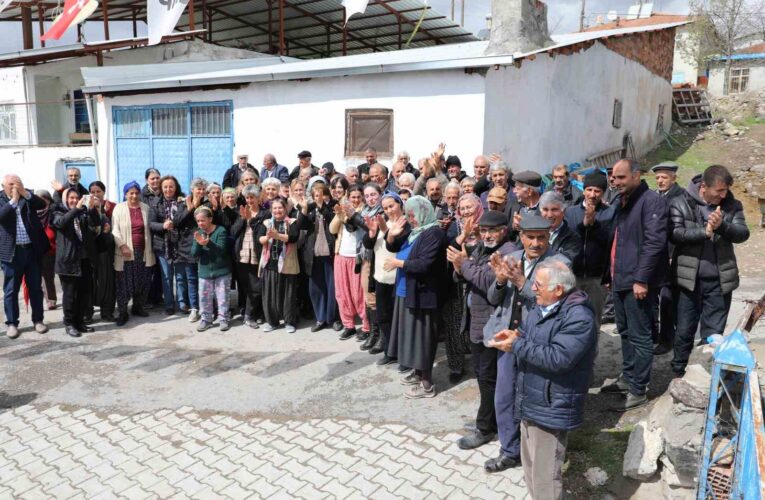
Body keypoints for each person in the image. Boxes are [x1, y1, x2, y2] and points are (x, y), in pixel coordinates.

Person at [489, 260, 597, 500]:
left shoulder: (579, 318)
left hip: (551, 406)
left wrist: (516, 344)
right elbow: (527, 334)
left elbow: (559, 358)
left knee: (546, 477)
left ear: (558, 289)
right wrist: (514, 335)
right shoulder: (543, 306)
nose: (532, 289)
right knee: (530, 468)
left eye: (538, 285)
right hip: (531, 399)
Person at [482, 214, 569, 473]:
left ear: (548, 238)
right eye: (530, 237)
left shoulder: (560, 264)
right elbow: (493, 299)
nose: (535, 243)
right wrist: (499, 280)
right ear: (521, 237)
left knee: (539, 397)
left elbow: (556, 303)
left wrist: (521, 282)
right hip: (509, 340)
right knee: (504, 396)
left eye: (541, 238)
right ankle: (510, 451)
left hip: (539, 342)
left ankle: (543, 453)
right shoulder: (511, 258)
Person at [600, 159, 668, 411]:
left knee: (640, 336)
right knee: (625, 331)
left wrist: (641, 279)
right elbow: (616, 241)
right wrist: (610, 275)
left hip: (638, 283)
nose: (615, 182)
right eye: (613, 178)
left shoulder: (651, 201)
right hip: (621, 279)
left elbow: (654, 243)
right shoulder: (622, 201)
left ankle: (639, 388)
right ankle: (628, 378)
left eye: (620, 177)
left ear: (636, 175)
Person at [669, 166, 749, 376]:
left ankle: (705, 375)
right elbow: (675, 234)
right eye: (719, 191)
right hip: (688, 281)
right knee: (684, 330)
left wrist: (722, 226)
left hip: (720, 281)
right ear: (704, 186)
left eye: (725, 191)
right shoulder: (680, 202)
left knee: (713, 334)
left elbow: (742, 233)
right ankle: (678, 372)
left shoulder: (732, 205)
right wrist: (704, 232)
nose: (723, 196)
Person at [448, 210, 511, 450]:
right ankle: (489, 420)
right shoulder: (480, 249)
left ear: (503, 231)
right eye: (483, 230)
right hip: (476, 320)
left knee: (488, 378)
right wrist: (460, 266)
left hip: (491, 324)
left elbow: (487, 283)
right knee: (484, 376)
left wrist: (464, 264)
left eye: (492, 230)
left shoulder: (507, 252)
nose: (486, 235)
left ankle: (485, 428)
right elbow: (461, 277)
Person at [384, 196, 447, 399]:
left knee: (422, 338)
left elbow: (424, 264)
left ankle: (427, 385)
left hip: (424, 295)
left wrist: (398, 264)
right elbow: (395, 247)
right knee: (411, 336)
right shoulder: (415, 232)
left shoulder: (434, 233)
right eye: (408, 215)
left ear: (423, 212)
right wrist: (391, 235)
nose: (410, 219)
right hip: (407, 291)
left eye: (413, 215)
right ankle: (418, 372)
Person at [0, 174, 50, 339]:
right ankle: (12, 323)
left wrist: (24, 193)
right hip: (12, 253)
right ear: (3, 185)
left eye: (17, 183)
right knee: (11, 290)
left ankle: (38, 320)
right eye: (11, 184)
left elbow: (42, 204)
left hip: (31, 250)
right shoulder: (1, 199)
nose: (14, 186)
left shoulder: (27, 195)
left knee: (35, 287)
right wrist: (13, 201)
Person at [564, 172, 615, 327]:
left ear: (603, 192)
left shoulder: (610, 212)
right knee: (570, 317)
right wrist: (584, 224)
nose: (592, 195)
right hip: (573, 275)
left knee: (594, 319)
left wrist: (594, 225)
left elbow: (609, 240)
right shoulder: (571, 212)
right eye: (589, 189)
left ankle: (592, 350)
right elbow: (569, 238)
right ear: (584, 190)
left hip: (596, 277)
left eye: (597, 191)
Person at [50, 188, 101, 337]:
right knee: (70, 295)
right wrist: (77, 208)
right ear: (66, 200)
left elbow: (95, 222)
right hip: (68, 261)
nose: (74, 200)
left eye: (76, 198)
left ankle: (79, 322)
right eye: (71, 198)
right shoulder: (57, 213)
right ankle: (69, 323)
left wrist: (91, 209)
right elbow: (61, 223)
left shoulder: (82, 213)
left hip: (84, 260)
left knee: (84, 294)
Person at [366, 192, 406, 362]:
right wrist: (373, 232)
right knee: (383, 317)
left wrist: (385, 230)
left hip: (398, 278)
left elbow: (396, 244)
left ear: (400, 204)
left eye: (392, 206)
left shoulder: (406, 222)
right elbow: (368, 245)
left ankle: (403, 353)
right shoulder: (383, 222)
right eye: (385, 208)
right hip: (381, 276)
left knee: (399, 319)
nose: (389, 210)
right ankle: (390, 351)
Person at [651, 161, 686, 355]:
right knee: (652, 297)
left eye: (664, 177)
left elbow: (678, 230)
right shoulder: (656, 196)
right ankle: (654, 333)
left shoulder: (681, 197)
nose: (660, 181)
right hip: (655, 255)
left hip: (672, 256)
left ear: (673, 178)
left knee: (667, 299)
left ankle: (667, 339)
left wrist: (673, 254)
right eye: (657, 177)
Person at [111, 181, 156, 326]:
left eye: (137, 193)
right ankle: (123, 312)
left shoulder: (146, 208)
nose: (134, 196)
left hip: (143, 251)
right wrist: (122, 245)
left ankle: (138, 307)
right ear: (125, 194)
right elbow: (115, 229)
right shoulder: (118, 208)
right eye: (131, 193)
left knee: (142, 281)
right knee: (124, 283)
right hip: (126, 252)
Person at [330, 185, 369, 340]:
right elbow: (332, 230)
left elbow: (353, 228)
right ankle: (348, 325)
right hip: (341, 255)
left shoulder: (364, 212)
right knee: (342, 293)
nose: (356, 200)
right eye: (353, 197)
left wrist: (347, 216)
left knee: (359, 294)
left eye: (358, 197)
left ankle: (366, 326)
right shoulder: (343, 209)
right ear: (348, 197)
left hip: (357, 258)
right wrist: (339, 215)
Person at [258, 197, 301, 332]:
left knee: (288, 294)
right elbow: (260, 239)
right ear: (271, 210)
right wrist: (269, 237)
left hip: (287, 263)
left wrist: (277, 236)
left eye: (280, 208)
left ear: (285, 209)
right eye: (275, 208)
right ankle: (272, 322)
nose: (277, 210)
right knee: (269, 295)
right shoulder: (266, 223)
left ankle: (289, 322)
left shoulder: (292, 222)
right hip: (270, 263)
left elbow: (293, 237)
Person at [302, 182, 339, 332]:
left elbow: (331, 219)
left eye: (322, 194)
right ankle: (320, 318)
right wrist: (304, 210)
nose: (319, 197)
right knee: (316, 288)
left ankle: (334, 318)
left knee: (332, 286)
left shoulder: (332, 208)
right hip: (313, 254)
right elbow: (302, 225)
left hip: (329, 253)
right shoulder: (309, 210)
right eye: (316, 195)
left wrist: (322, 206)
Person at [191, 206, 233, 332]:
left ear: (210, 219)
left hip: (222, 271)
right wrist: (199, 244)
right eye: (198, 221)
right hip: (204, 272)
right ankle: (206, 319)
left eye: (202, 220)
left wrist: (207, 243)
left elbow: (221, 250)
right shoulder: (198, 232)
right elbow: (193, 254)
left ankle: (223, 319)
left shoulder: (221, 230)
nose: (200, 223)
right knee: (204, 297)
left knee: (223, 296)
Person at [149, 175, 185, 315]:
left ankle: (182, 303)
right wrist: (163, 226)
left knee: (181, 277)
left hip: (180, 244)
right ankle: (169, 304)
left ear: (176, 187)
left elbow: (186, 219)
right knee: (167, 276)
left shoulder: (182, 202)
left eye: (171, 186)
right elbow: (151, 224)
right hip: (162, 245)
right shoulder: (155, 203)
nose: (168, 189)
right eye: (165, 187)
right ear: (161, 188)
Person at [88, 181, 117, 322]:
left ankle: (107, 311)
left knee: (107, 282)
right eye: (92, 192)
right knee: (89, 283)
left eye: (98, 191)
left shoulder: (111, 208)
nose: (95, 194)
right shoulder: (84, 208)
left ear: (103, 192)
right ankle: (88, 312)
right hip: (88, 253)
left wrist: (107, 232)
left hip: (105, 251)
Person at [538, 191, 582, 263]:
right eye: (545, 210)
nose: (549, 215)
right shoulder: (533, 233)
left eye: (554, 210)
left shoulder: (573, 238)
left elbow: (566, 263)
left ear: (563, 212)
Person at [36, 190, 58, 311]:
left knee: (62, 277)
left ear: (49, 200)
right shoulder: (32, 213)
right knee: (46, 277)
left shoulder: (53, 212)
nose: (43, 202)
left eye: (45, 199)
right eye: (39, 199)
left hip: (57, 249)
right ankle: (50, 300)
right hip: (43, 251)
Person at [508, 170, 542, 241]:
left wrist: (524, 225)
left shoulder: (545, 209)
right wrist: (514, 226)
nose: (514, 191)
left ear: (529, 191)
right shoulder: (514, 205)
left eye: (518, 189)